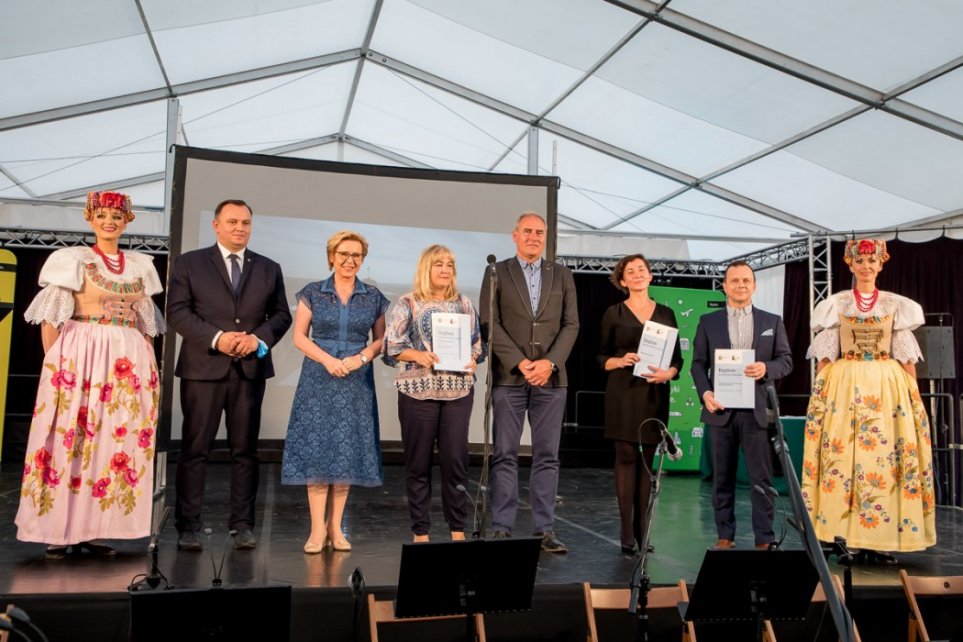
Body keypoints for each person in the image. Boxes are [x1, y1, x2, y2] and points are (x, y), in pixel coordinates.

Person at [16, 191, 163, 559]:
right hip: (81, 357)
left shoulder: (141, 265)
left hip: (127, 362)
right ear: (90, 219)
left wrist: (148, 365)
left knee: (114, 442)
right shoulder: (72, 260)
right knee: (74, 438)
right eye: (102, 216)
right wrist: (58, 364)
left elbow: (145, 324)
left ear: (127, 220)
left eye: (116, 215)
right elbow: (51, 321)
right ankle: (60, 529)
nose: (109, 222)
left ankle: (99, 527)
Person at [167, 199, 292, 552]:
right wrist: (219, 339)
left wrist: (256, 339)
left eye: (246, 222)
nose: (240, 228)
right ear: (216, 225)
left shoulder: (269, 268)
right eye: (233, 221)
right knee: (195, 450)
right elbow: (177, 312)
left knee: (245, 451)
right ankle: (188, 526)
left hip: (249, 372)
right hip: (202, 371)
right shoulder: (189, 263)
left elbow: (281, 316)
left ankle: (242, 525)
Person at [802, 239, 935, 562]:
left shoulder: (895, 306)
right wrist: (821, 393)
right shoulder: (837, 305)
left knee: (884, 459)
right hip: (844, 387)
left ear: (880, 264)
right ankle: (846, 535)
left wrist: (914, 399)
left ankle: (881, 537)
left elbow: (906, 359)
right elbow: (824, 357)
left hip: (886, 389)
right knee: (843, 457)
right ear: (850, 265)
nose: (865, 267)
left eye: (871, 262)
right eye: (860, 262)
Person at [281, 230, 389, 553]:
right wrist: (329, 360)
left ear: (363, 259)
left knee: (345, 452)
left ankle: (336, 527)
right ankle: (316, 530)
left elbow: (381, 341)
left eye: (356, 255)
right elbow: (299, 337)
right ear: (331, 256)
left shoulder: (373, 296)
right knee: (317, 450)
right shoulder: (312, 293)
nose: (349, 260)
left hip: (356, 380)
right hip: (318, 377)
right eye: (343, 254)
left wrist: (359, 359)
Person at [479, 212, 579, 553]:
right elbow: (489, 323)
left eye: (539, 232)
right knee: (505, 454)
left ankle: (544, 530)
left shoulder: (563, 275)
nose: (533, 237)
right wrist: (521, 363)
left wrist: (549, 363)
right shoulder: (496, 272)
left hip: (552, 381)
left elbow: (571, 325)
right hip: (509, 377)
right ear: (515, 235)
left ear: (545, 236)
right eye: (527, 231)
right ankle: (502, 528)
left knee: (547, 456)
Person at [383, 245, 484, 543]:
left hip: (457, 392)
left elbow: (477, 343)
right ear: (426, 268)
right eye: (438, 264)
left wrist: (472, 359)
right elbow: (391, 346)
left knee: (455, 461)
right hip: (417, 392)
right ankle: (421, 531)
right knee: (419, 463)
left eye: (450, 264)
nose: (445, 269)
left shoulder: (464, 304)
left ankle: (457, 529)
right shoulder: (408, 303)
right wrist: (418, 354)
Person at [691, 261, 793, 550]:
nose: (740, 285)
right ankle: (725, 535)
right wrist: (705, 393)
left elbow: (786, 360)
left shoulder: (772, 322)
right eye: (734, 280)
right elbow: (698, 365)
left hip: (756, 411)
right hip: (720, 410)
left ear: (754, 285)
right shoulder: (707, 321)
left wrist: (766, 368)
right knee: (721, 477)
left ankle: (764, 538)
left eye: (746, 280)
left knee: (761, 479)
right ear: (724, 286)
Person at [598, 254, 683, 555]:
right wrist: (619, 360)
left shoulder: (667, 314)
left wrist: (669, 373)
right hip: (622, 392)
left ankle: (642, 531)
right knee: (625, 457)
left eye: (641, 270)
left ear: (650, 276)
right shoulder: (613, 313)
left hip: (653, 394)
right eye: (629, 272)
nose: (636, 275)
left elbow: (677, 360)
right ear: (622, 281)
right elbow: (599, 356)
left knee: (647, 463)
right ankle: (625, 532)